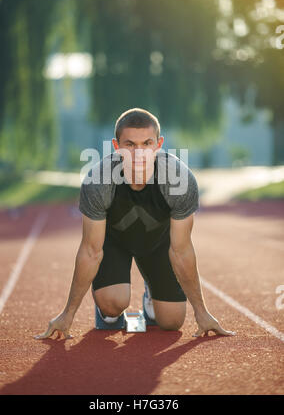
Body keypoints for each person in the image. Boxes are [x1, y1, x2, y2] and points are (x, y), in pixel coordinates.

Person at [35, 108, 235, 340]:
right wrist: (67, 314)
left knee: (172, 322)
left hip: (157, 243)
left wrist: (202, 312)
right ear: (116, 146)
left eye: (146, 143)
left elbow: (181, 250)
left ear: (158, 144)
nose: (139, 153)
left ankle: (151, 294)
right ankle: (107, 311)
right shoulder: (98, 181)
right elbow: (91, 251)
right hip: (114, 243)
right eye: (130, 145)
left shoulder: (179, 180)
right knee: (113, 304)